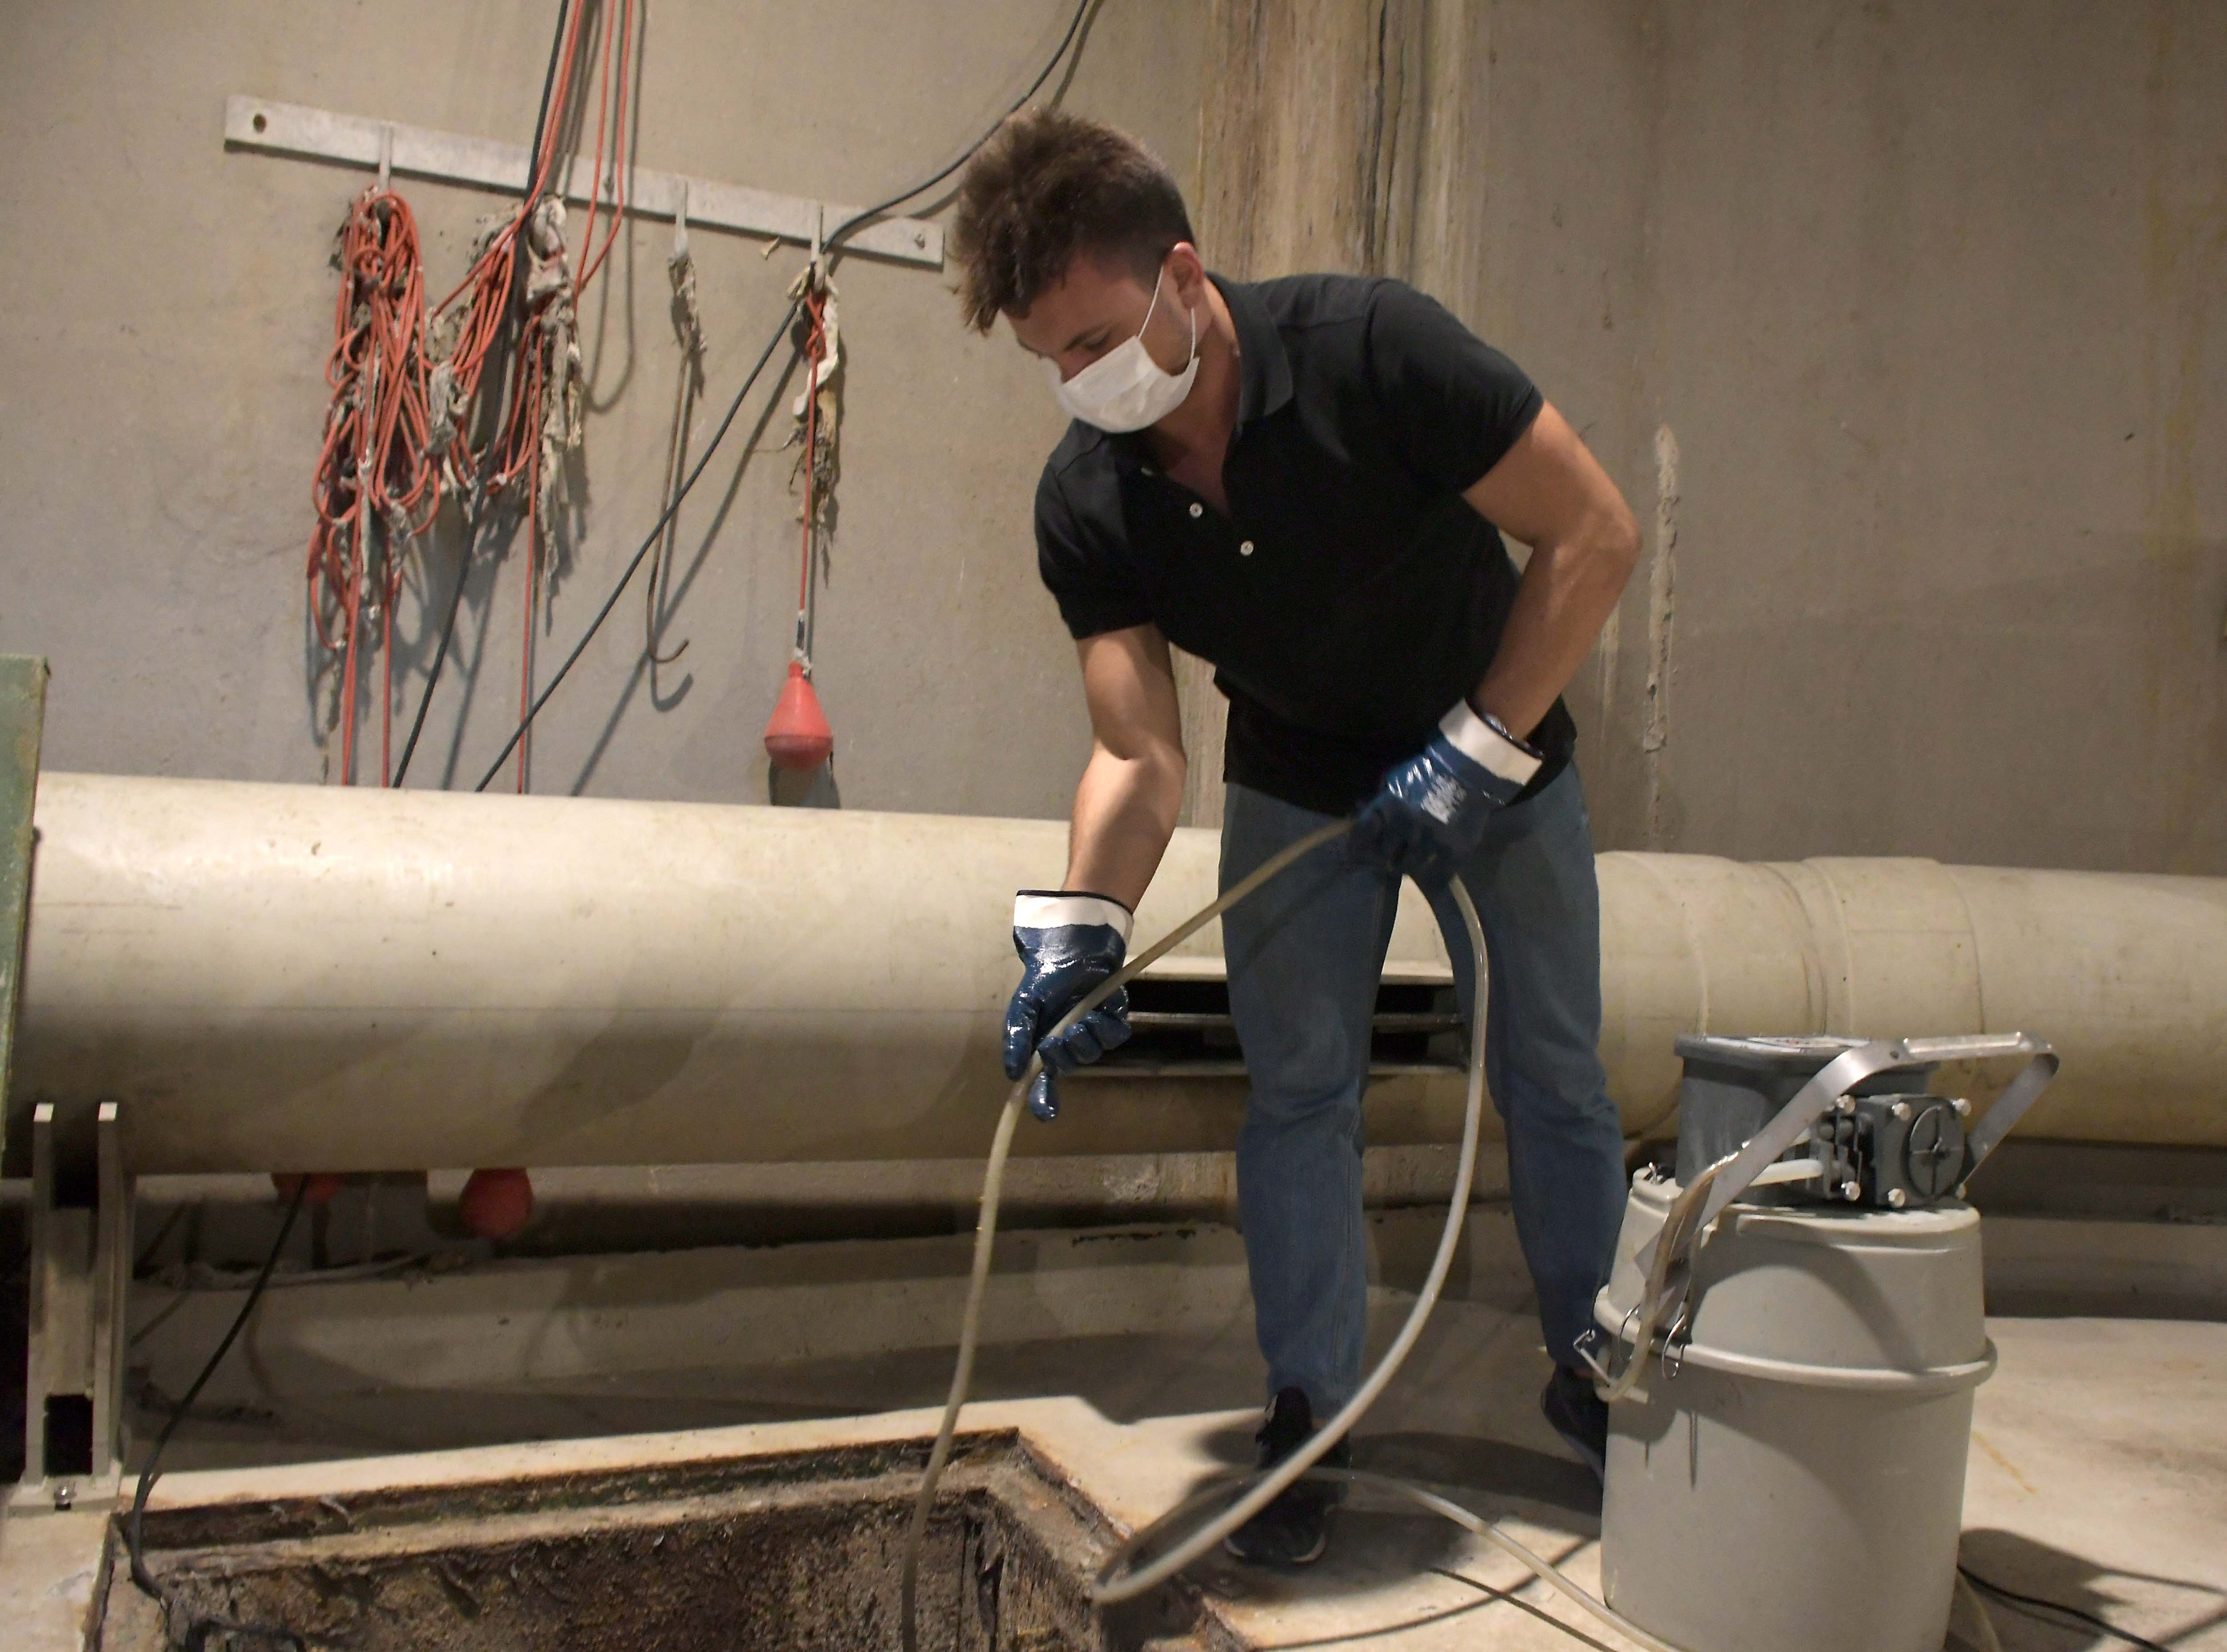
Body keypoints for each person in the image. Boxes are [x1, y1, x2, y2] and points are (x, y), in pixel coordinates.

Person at [953, 108, 1640, 1567]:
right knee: (1300, 1095)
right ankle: (1308, 1413)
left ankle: (1598, 1374)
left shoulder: (1377, 351)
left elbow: (1593, 535)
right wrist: (1083, 924)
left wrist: (1478, 746)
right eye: (1050, 365)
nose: (1081, 386)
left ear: (1181, 278)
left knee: (1553, 1077)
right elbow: (1136, 748)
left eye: (1093, 342)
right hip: (1297, 776)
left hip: (1499, 744)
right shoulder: (1090, 498)